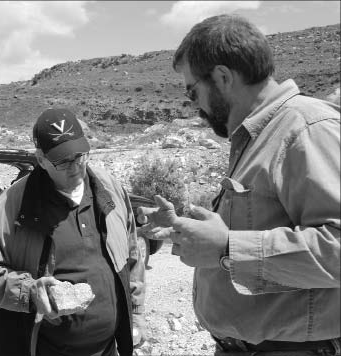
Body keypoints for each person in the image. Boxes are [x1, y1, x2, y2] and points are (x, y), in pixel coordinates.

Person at [138, 14, 340, 356]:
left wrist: (227, 248)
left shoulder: (307, 128)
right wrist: (188, 231)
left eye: (192, 91)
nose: (194, 105)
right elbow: (260, 222)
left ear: (222, 77)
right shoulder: (260, 135)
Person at [0, 108, 146, 356]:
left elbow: (131, 255)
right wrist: (29, 293)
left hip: (108, 349)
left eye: (80, 155)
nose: (75, 167)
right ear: (40, 159)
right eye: (63, 160)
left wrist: (135, 314)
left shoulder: (109, 187)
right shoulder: (15, 203)